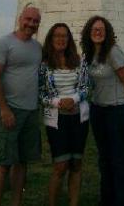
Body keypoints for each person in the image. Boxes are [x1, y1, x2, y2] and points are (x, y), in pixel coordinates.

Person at [0, 6, 42, 206]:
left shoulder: (37, 48)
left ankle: (16, 203)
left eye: (35, 21)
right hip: (9, 110)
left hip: (31, 111)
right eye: (28, 19)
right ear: (20, 18)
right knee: (3, 163)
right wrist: (4, 108)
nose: (31, 24)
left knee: (22, 162)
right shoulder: (2, 44)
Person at [81, 15, 124, 206]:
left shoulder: (113, 52)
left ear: (107, 32)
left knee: (119, 158)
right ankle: (107, 199)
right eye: (95, 29)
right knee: (104, 157)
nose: (98, 32)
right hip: (98, 110)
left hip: (117, 110)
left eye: (102, 29)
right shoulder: (88, 54)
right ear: (89, 32)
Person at [39, 23, 89, 206]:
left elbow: (85, 87)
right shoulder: (44, 65)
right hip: (56, 119)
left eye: (64, 36)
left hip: (79, 117)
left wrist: (73, 99)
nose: (61, 39)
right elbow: (41, 92)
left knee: (76, 164)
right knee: (60, 165)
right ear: (51, 39)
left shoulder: (79, 61)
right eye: (57, 36)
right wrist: (58, 102)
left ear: (69, 39)